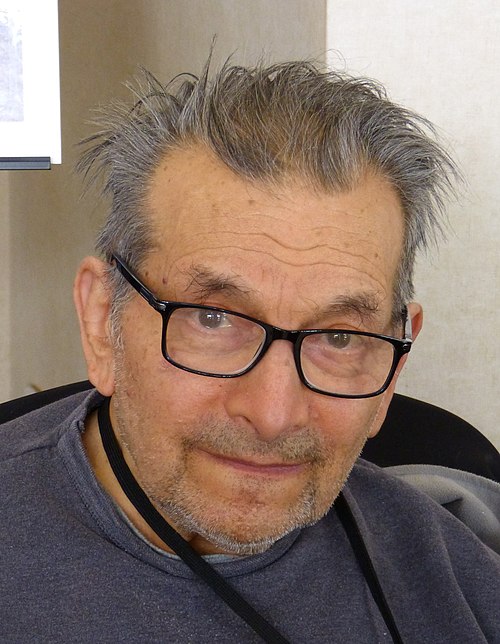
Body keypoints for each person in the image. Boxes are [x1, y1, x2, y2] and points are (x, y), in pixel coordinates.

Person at [1, 58, 499, 643]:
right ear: (100, 321)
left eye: (339, 337)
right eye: (213, 320)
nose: (273, 415)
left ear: (395, 364)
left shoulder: (452, 580)